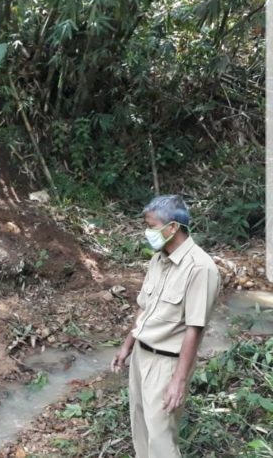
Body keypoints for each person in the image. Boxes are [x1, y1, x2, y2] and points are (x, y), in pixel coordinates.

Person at [111, 195, 220, 458]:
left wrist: (178, 381)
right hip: (141, 356)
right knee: (141, 429)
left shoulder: (200, 268)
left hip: (167, 364)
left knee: (161, 441)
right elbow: (144, 308)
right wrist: (127, 346)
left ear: (172, 227)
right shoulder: (158, 259)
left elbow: (194, 329)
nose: (148, 233)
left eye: (151, 226)